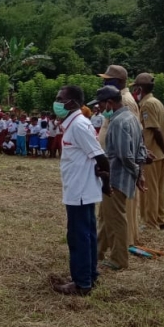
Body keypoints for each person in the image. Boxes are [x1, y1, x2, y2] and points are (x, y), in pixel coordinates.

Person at [51, 85, 110, 296]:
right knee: (87, 234)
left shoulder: (78, 126)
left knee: (79, 237)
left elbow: (101, 157)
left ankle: (82, 283)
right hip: (79, 188)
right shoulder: (74, 124)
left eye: (60, 99)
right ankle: (89, 275)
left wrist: (107, 184)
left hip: (80, 190)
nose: (57, 103)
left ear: (73, 103)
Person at [91, 86, 147, 271]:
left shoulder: (118, 122)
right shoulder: (132, 118)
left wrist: (136, 172)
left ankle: (119, 259)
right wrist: (139, 173)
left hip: (116, 178)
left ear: (109, 103)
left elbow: (125, 155)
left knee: (116, 219)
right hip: (123, 178)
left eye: (101, 104)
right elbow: (141, 149)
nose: (99, 108)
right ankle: (97, 252)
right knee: (107, 217)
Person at [97, 64, 142, 246]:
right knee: (107, 212)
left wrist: (137, 170)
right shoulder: (114, 99)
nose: (104, 83)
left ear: (119, 81)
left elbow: (131, 137)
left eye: (108, 80)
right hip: (111, 164)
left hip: (120, 168)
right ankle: (103, 246)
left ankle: (124, 244)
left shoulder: (125, 101)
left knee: (119, 211)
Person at [131, 73, 164, 231]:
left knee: (149, 190)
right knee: (158, 189)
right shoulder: (157, 102)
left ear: (140, 88)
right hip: (159, 154)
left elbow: (155, 129)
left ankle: (150, 222)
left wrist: (163, 149)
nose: (134, 91)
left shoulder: (147, 104)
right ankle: (160, 219)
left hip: (151, 155)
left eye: (135, 88)